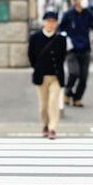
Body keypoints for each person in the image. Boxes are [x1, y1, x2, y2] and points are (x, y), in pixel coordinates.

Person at [28, 11, 68, 139]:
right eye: (48, 21)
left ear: (56, 23)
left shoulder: (61, 39)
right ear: (43, 22)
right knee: (43, 105)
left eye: (53, 21)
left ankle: (52, 128)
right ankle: (45, 124)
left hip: (56, 76)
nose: (50, 24)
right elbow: (31, 56)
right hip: (41, 76)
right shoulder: (35, 37)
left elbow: (62, 57)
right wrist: (38, 67)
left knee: (53, 102)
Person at [60, 0, 93, 107]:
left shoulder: (88, 14)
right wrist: (64, 39)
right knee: (74, 72)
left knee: (83, 77)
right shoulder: (68, 14)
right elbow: (60, 29)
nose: (85, 0)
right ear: (75, 0)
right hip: (72, 50)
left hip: (85, 49)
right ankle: (67, 92)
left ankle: (77, 98)